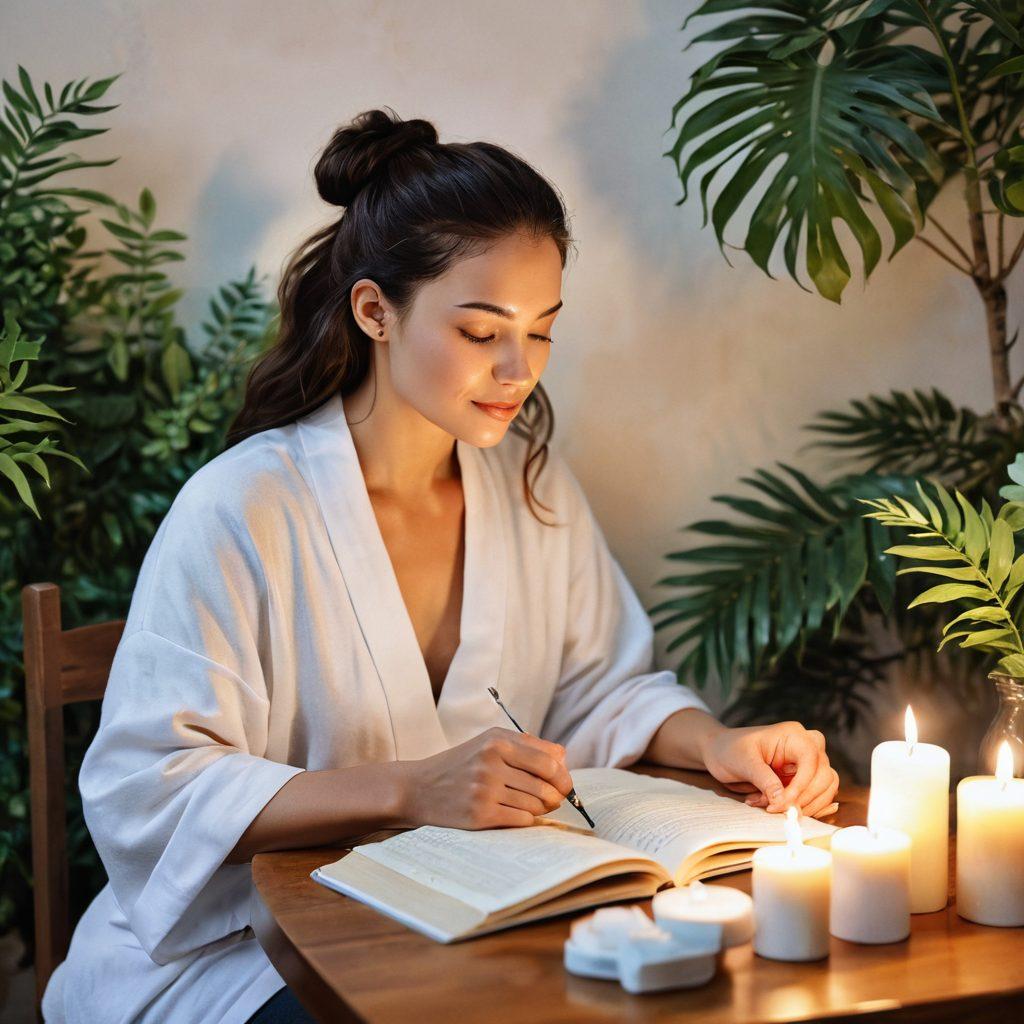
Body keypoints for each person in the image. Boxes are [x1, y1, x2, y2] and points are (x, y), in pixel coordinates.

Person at [42, 108, 839, 1024]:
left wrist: (719, 743)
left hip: (467, 927)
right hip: (245, 954)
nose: (519, 368)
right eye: (479, 331)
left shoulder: (531, 488)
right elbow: (153, 786)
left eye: (541, 330)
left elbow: (600, 690)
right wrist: (411, 788)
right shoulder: (244, 509)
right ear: (376, 310)